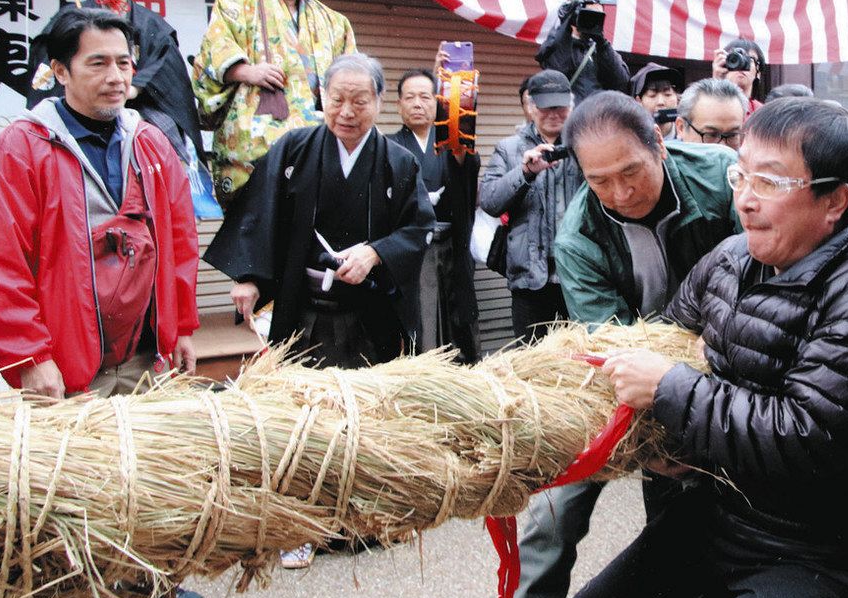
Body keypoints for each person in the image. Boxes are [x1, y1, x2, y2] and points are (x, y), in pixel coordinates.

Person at [564, 99, 848, 598]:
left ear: (835, 200)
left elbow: (806, 435)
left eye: (771, 183)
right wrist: (670, 447)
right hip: (721, 513)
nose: (744, 201)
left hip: (824, 546)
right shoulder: (732, 257)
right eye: (741, 176)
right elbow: (667, 337)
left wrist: (671, 388)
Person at [0, 7, 202, 598]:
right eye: (97, 63)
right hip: (65, 359)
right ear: (58, 70)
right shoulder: (21, 148)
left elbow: (179, 240)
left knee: (144, 476)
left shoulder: (151, 142)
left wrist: (181, 325)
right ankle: (77, 591)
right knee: (73, 488)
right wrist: (30, 357)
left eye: (125, 63)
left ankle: (148, 585)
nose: (116, 76)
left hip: (138, 349)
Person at [511, 90, 742, 598]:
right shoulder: (578, 239)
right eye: (598, 180)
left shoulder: (722, 177)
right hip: (630, 373)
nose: (619, 192)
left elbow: (767, 275)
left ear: (659, 143)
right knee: (552, 511)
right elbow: (613, 344)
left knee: (694, 518)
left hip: (735, 360)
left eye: (630, 171)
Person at [204, 53, 434, 366]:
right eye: (337, 99)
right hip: (302, 309)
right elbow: (260, 211)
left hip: (371, 312)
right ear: (322, 95)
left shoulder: (400, 162)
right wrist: (249, 278)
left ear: (379, 100)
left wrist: (374, 253)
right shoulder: (294, 148)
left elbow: (419, 227)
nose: (347, 112)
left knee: (367, 404)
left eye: (360, 101)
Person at [22, 0, 212, 213]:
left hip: (138, 118)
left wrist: (133, 87)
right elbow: (47, 74)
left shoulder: (154, 27)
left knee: (162, 141)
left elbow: (167, 78)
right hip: (77, 117)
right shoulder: (68, 21)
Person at [193, 0, 357, 205]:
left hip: (315, 152)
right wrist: (244, 71)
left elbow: (352, 81)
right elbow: (211, 55)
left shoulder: (336, 24)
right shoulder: (236, 5)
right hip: (253, 153)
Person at [479, 70, 583, 343]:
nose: (553, 113)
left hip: (579, 276)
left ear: (571, 106)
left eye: (559, 106)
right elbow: (489, 201)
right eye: (545, 106)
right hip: (530, 279)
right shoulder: (508, 148)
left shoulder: (586, 145)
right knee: (532, 360)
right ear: (531, 106)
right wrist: (525, 172)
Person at [390, 68, 480, 363]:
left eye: (425, 97)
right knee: (421, 326)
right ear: (398, 105)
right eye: (410, 97)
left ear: (438, 103)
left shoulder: (451, 141)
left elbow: (467, 171)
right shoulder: (387, 146)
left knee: (459, 325)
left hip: (452, 248)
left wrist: (460, 153)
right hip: (413, 254)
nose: (418, 104)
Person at [534, 0, 630, 104]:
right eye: (589, 15)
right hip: (570, 118)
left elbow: (621, 82)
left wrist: (602, 43)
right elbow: (558, 72)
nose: (593, 20)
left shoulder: (601, 49)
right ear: (575, 15)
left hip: (598, 117)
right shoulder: (559, 44)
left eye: (598, 16)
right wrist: (566, 23)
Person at [673, 77, 746, 151]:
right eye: (711, 135)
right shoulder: (663, 161)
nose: (723, 148)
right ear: (681, 128)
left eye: (732, 135)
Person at [711, 38, 764, 117]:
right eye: (735, 59)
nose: (741, 64)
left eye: (749, 59)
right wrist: (716, 83)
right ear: (724, 64)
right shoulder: (707, 105)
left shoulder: (762, 113)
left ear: (758, 72)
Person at [630, 62, 683, 138]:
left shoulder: (688, 134)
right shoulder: (631, 137)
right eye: (652, 95)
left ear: (677, 99)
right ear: (639, 101)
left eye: (668, 94)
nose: (660, 102)